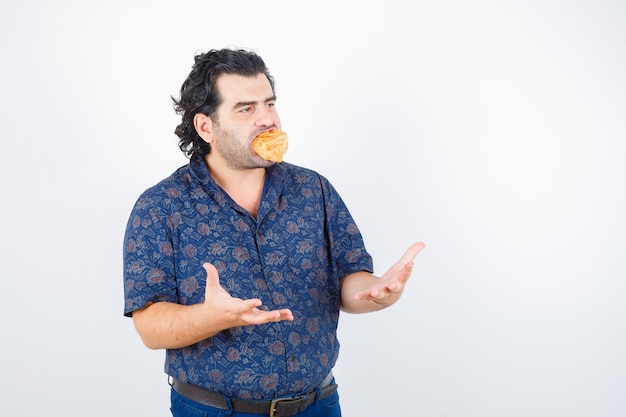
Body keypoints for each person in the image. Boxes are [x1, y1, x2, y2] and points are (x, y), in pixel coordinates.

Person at [123, 47, 425, 417]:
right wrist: (211, 317)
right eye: (246, 108)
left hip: (319, 404)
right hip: (214, 410)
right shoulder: (161, 206)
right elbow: (149, 328)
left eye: (269, 103)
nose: (267, 119)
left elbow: (349, 278)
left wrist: (375, 292)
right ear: (206, 127)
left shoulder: (313, 189)